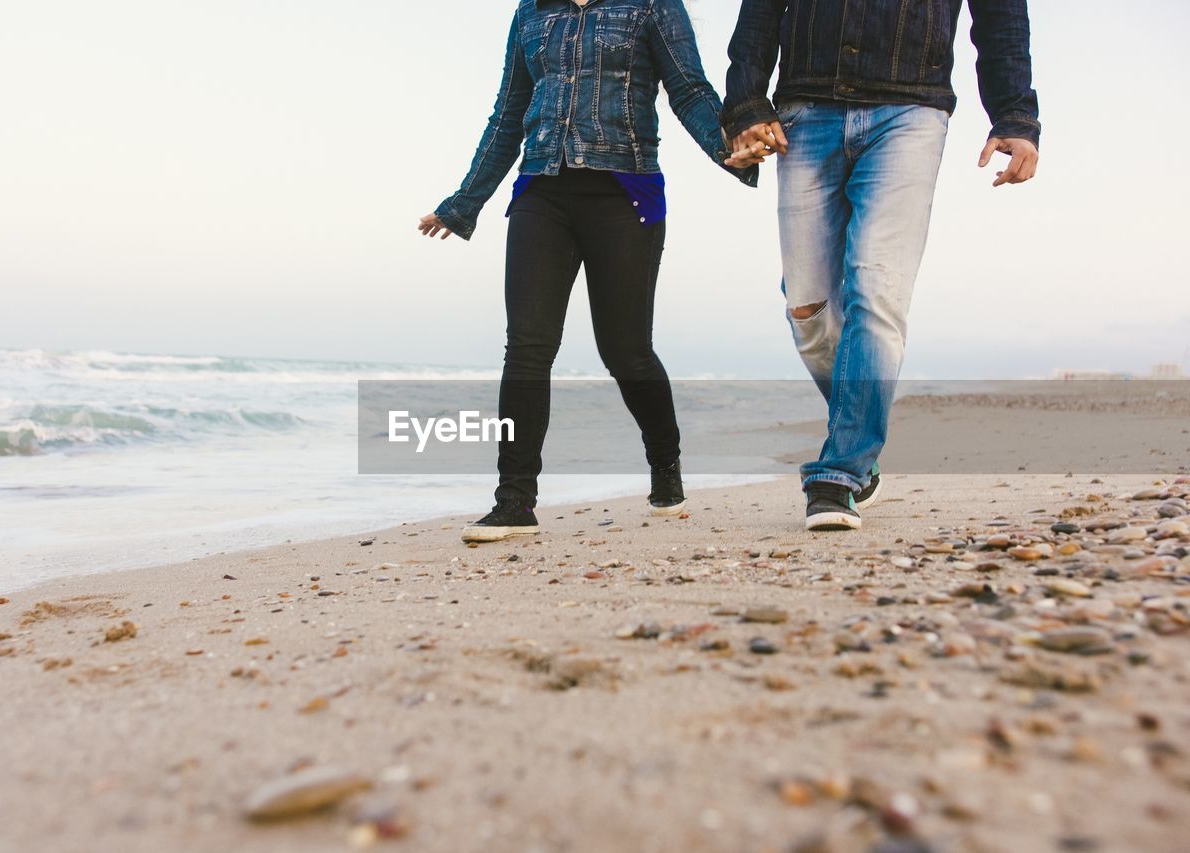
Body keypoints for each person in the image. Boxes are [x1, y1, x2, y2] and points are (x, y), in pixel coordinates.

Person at [420, 0, 756, 543]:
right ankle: (514, 501)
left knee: (625, 352)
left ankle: (664, 462)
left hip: (625, 194)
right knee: (527, 345)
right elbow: (508, 112)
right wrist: (465, 202)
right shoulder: (532, 12)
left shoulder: (652, 7)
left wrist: (727, 148)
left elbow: (689, 89)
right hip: (542, 190)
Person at [721, 0, 1040, 531]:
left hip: (910, 113)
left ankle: (841, 470)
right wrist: (746, 104)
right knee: (808, 309)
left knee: (877, 289)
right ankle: (860, 430)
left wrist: (1015, 115)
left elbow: (1001, 20)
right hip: (805, 110)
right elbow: (759, 14)